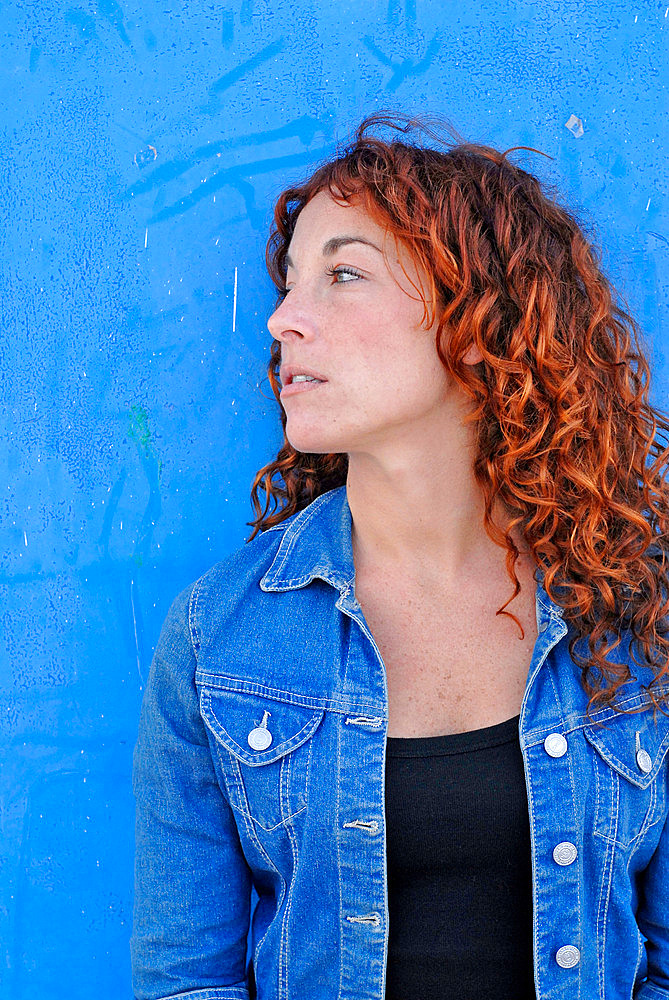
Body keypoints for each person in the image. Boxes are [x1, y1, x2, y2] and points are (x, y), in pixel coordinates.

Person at [131, 113, 669, 1000]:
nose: (282, 320)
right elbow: (186, 981)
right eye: (290, 281)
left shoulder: (631, 613)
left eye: (342, 274)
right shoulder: (218, 640)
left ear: (480, 320)